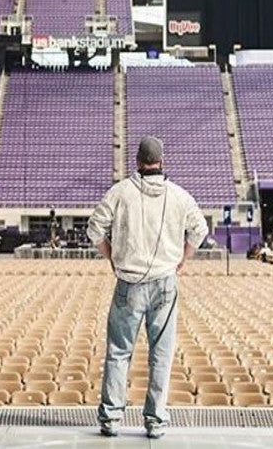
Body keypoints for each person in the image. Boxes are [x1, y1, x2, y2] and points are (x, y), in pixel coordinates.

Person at [87, 136, 208, 439]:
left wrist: (111, 256)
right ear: (161, 162)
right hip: (165, 283)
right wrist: (182, 259)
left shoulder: (120, 192)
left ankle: (111, 420)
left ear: (137, 162)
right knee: (161, 354)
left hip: (129, 282)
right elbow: (199, 230)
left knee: (118, 352)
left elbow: (94, 229)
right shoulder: (180, 196)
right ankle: (155, 421)